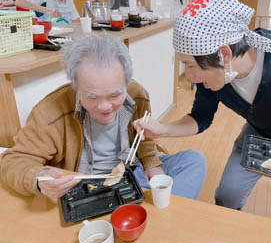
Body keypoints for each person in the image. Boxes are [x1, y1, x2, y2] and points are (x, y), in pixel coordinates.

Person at [133, 0, 271, 236]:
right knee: (227, 195)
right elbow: (200, 118)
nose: (190, 76)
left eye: (191, 66)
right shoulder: (214, 78)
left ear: (224, 54)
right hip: (259, 132)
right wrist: (162, 129)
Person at [0, 34, 206, 200]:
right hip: (92, 182)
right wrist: (39, 178)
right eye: (92, 97)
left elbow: (143, 139)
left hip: (133, 168)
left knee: (194, 161)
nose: (105, 106)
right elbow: (14, 160)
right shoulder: (50, 112)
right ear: (76, 86)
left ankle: (159, 213)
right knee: (143, 199)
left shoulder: (137, 94)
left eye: (116, 94)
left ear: (126, 82)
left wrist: (152, 163)